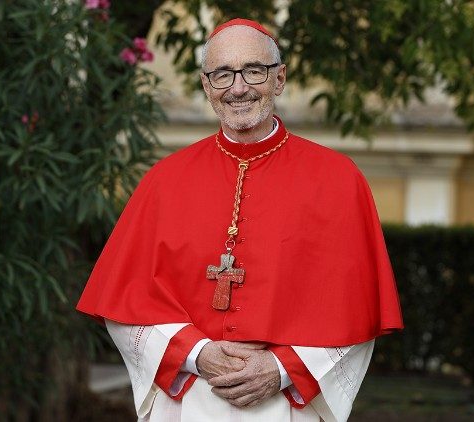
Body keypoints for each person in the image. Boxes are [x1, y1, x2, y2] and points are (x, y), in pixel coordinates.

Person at [76, 18, 403, 422]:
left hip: (286, 406)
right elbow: (125, 307)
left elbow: (358, 316)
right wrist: (198, 355)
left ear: (279, 78)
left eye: (254, 70)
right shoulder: (164, 180)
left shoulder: (338, 180)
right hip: (188, 401)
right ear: (205, 85)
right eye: (222, 74)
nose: (238, 87)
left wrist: (282, 369)